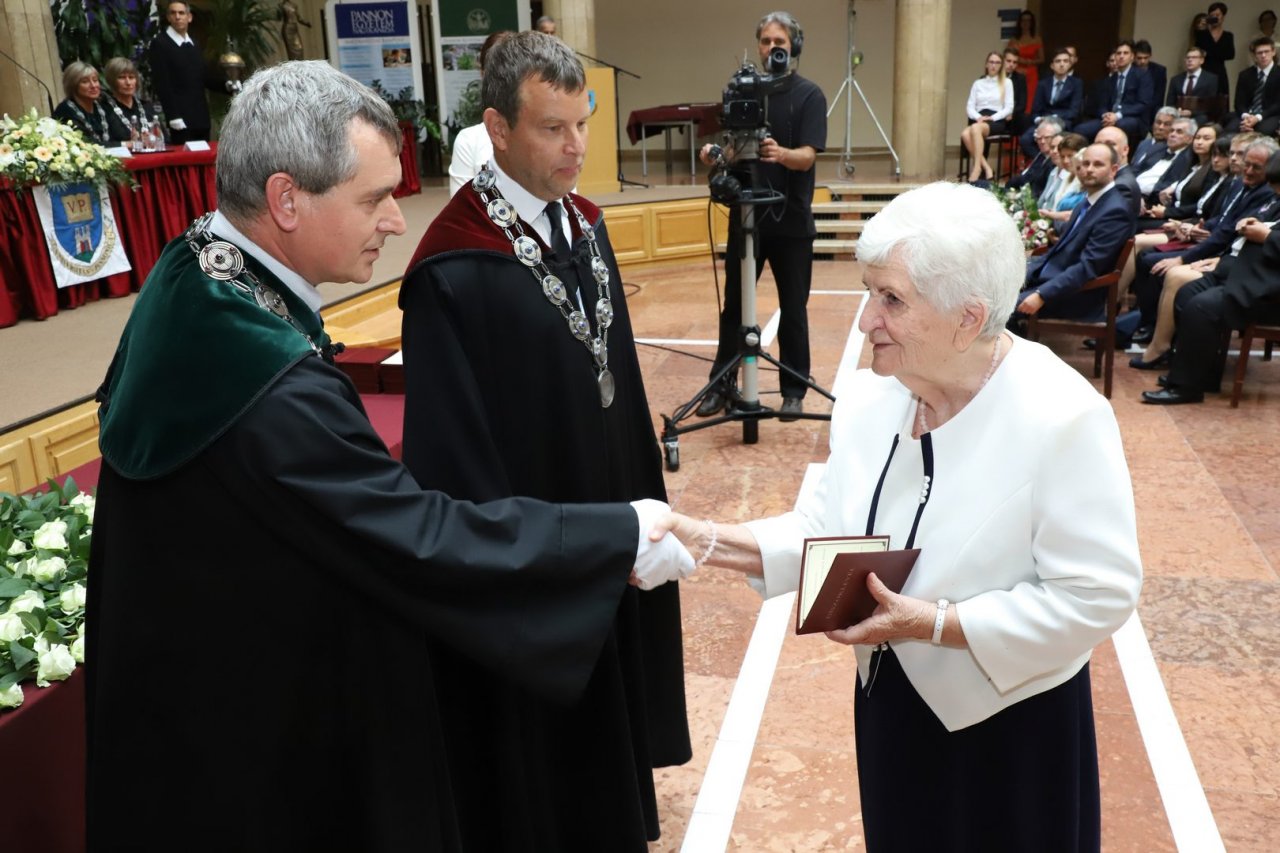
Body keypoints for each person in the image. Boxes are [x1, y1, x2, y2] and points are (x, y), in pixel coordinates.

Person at [85, 59, 693, 849]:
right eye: (373, 198)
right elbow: (416, 533)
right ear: (286, 200)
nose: (397, 221)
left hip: (183, 690)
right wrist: (617, 536)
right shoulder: (274, 393)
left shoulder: (193, 268)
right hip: (260, 734)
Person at [652, 181, 1142, 852]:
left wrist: (935, 623)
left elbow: (1097, 593)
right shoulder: (871, 396)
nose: (865, 322)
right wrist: (702, 539)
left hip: (1010, 728)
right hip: (892, 703)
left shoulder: (1062, 417)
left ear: (968, 318)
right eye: (869, 292)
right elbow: (822, 531)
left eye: (891, 299)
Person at [399, 32, 691, 851]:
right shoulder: (452, 265)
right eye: (553, 128)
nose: (576, 147)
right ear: (497, 129)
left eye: (582, 124)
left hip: (608, 509)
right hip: (533, 534)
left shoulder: (586, 225)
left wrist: (642, 502)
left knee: (611, 708)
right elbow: (450, 457)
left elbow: (617, 378)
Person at [696, 11, 826, 420]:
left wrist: (781, 154)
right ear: (758, 46)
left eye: (779, 42)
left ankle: (793, 390)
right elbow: (732, 147)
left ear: (794, 47)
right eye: (766, 41)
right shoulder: (742, 90)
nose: (772, 48)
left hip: (791, 221)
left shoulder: (810, 95)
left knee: (793, 309)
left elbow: (808, 156)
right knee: (734, 307)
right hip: (747, 218)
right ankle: (722, 385)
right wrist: (716, 156)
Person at [1142, 162, 1280, 404]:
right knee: (1186, 293)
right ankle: (1202, 373)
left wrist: (1267, 236)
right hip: (1243, 270)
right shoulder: (1275, 200)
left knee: (1201, 307)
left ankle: (1186, 387)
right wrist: (1249, 223)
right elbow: (1261, 220)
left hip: (1268, 288)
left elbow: (1269, 235)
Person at [1015, 142, 1138, 323]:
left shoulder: (1115, 211)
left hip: (1072, 296)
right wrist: (1019, 271)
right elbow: (1058, 252)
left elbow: (1088, 268)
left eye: (1098, 164)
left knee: (993, 309)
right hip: (1050, 279)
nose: (1089, 169)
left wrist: (1041, 294)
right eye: (1085, 164)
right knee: (991, 285)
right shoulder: (1086, 203)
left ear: (1113, 170)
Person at [446, 30, 512, 196]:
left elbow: (564, 204)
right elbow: (460, 208)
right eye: (497, 72)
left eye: (514, 70)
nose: (507, 80)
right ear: (483, 74)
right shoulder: (469, 140)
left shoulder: (546, 136)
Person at [148, 1, 221, 144]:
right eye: (173, 13)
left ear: (189, 17)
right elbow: (162, 83)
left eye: (181, 13)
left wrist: (228, 85)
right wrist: (173, 115)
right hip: (180, 120)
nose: (177, 17)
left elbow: (204, 77)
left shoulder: (193, 43)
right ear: (168, 17)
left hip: (200, 117)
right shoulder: (160, 43)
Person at [1073, 40, 1154, 146]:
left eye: (1125, 53)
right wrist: (1105, 115)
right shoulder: (1111, 79)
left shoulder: (1142, 76)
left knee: (1119, 125)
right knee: (1080, 129)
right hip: (1109, 118)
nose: (1121, 56)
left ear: (1132, 57)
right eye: (1118, 53)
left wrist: (1118, 115)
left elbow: (1143, 104)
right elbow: (1102, 105)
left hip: (1132, 118)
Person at [961, 52, 1014, 182]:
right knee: (965, 134)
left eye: (997, 63)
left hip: (996, 119)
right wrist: (978, 117)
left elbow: (1009, 107)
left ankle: (977, 168)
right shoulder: (978, 83)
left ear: (1001, 66)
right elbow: (970, 106)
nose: (994, 65)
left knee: (975, 129)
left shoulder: (1007, 82)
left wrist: (993, 118)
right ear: (986, 64)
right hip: (979, 118)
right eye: (991, 62)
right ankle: (987, 168)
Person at [1021, 48, 1083, 157]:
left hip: (1063, 121)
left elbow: (1074, 111)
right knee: (1025, 140)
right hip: (1043, 122)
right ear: (1052, 65)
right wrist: (1038, 119)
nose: (1062, 64)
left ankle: (1051, 162)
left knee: (1052, 138)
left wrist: (1052, 118)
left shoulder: (1076, 83)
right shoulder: (1043, 84)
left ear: (1070, 64)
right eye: (1058, 61)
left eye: (1065, 61)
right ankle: (1044, 162)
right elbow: (1035, 110)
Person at [101, 56, 167, 146]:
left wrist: (154, 138)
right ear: (111, 81)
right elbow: (100, 144)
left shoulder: (146, 107)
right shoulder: (104, 109)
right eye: (122, 78)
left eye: (131, 77)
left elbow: (165, 139)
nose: (128, 83)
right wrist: (130, 144)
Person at [52, 61, 116, 146]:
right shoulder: (66, 111)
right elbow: (87, 143)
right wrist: (124, 144)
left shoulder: (102, 105)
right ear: (73, 85)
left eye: (95, 80)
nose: (93, 86)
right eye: (85, 82)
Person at [1226, 36, 1280, 134]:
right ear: (1254, 56)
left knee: (1263, 131)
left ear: (1273, 52)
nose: (1263, 55)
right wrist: (1246, 117)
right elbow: (1239, 103)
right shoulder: (1245, 75)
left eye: (1267, 51)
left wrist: (1258, 117)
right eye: (1259, 53)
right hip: (1247, 115)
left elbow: (1278, 104)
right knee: (1231, 129)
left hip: (1269, 115)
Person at [1167, 46, 1220, 122]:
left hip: (1200, 118)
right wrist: (1176, 111)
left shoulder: (1211, 79)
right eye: (1188, 58)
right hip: (1178, 117)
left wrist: (1191, 113)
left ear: (1201, 60)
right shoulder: (1176, 80)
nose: (1190, 60)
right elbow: (1170, 103)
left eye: (1194, 57)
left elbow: (1211, 105)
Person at [1007, 10, 1044, 113]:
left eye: (1028, 20)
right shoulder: (1014, 40)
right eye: (1023, 20)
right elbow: (1007, 57)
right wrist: (1018, 63)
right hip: (1017, 71)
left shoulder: (1037, 39)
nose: (1026, 23)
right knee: (1016, 96)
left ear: (1032, 23)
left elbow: (1042, 59)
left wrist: (1028, 61)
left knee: (1030, 100)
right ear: (1019, 23)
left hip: (1031, 73)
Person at [1197, 2, 1235, 98]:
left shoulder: (1228, 36)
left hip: (1220, 72)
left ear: (1223, 17)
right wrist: (1201, 30)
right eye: (1212, 15)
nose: (1215, 17)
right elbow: (1198, 53)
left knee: (1221, 100)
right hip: (1204, 71)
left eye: (1217, 15)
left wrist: (1210, 52)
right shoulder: (1203, 34)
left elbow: (1230, 54)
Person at [1134, 40, 1168, 121]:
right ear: (1134, 57)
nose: (1142, 61)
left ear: (1150, 56)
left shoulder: (1160, 71)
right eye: (1139, 58)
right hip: (1134, 107)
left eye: (1146, 58)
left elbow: (1159, 96)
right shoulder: (1130, 69)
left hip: (1153, 108)